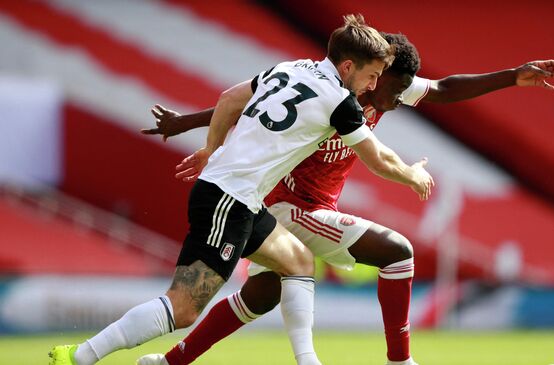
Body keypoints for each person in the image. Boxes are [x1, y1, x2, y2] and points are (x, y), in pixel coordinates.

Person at [138, 30, 554, 365]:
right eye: (395, 90)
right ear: (373, 76)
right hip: (287, 206)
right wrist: (189, 124)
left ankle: (171, 360)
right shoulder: (336, 96)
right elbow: (252, 104)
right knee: (398, 252)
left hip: (301, 207)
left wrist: (512, 76)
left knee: (263, 294)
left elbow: (443, 89)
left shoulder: (378, 89)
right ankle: (400, 360)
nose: (398, 101)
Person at [49, 14, 435, 365]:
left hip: (243, 200)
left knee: (298, 262)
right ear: (348, 66)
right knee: (182, 308)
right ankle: (80, 356)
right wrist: (412, 175)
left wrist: (210, 150)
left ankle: (308, 361)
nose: (373, 86)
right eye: (370, 76)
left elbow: (229, 99)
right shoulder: (339, 101)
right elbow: (378, 159)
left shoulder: (291, 68)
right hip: (228, 201)